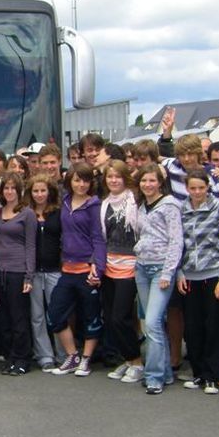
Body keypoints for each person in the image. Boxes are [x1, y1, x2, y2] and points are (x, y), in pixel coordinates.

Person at [177, 169, 219, 393]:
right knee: (193, 328)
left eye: (201, 188)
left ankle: (213, 374)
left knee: (214, 326)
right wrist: (180, 273)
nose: (197, 192)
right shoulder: (182, 210)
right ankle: (199, 373)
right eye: (193, 188)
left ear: (208, 187)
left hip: (213, 274)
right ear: (187, 188)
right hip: (190, 275)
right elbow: (179, 245)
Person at [48, 163, 105, 377]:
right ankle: (72, 356)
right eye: (77, 180)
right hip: (67, 268)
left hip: (87, 268)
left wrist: (97, 268)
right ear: (70, 181)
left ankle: (87, 358)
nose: (81, 184)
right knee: (55, 313)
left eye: (85, 180)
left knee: (90, 315)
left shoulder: (94, 205)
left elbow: (99, 238)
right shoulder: (64, 201)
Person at [134, 163, 183, 395]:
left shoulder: (170, 205)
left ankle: (153, 377)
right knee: (153, 323)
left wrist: (168, 272)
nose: (148, 185)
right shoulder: (142, 206)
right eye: (144, 181)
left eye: (152, 180)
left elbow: (176, 241)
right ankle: (165, 371)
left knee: (152, 322)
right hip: (141, 268)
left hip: (160, 270)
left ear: (160, 182)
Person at [98, 161, 144, 384]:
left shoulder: (135, 200)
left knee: (121, 317)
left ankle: (137, 362)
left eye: (117, 176)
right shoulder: (105, 203)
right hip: (109, 265)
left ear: (125, 178)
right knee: (110, 317)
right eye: (110, 177)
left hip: (130, 265)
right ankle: (127, 359)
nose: (114, 180)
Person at [0, 172, 36, 375]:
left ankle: (22, 358)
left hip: (18, 271)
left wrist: (29, 275)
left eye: (13, 188)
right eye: (6, 188)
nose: (9, 192)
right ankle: (10, 356)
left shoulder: (27, 213)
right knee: (4, 318)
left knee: (19, 318)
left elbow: (30, 246)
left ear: (20, 191)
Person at [28, 173, 64, 373]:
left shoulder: (57, 212)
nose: (39, 194)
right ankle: (45, 355)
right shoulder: (26, 213)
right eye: (35, 191)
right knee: (37, 316)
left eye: (43, 190)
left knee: (57, 312)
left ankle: (62, 353)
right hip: (33, 271)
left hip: (54, 270)